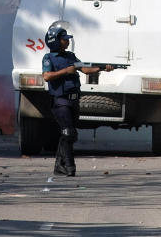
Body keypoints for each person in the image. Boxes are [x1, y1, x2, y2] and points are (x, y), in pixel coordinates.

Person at [41, 21, 113, 176]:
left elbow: (85, 69)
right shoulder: (49, 58)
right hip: (60, 101)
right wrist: (66, 71)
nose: (67, 41)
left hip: (73, 100)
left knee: (70, 134)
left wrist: (103, 68)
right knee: (68, 133)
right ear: (55, 41)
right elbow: (47, 76)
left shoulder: (71, 56)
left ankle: (59, 166)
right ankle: (69, 167)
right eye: (64, 39)